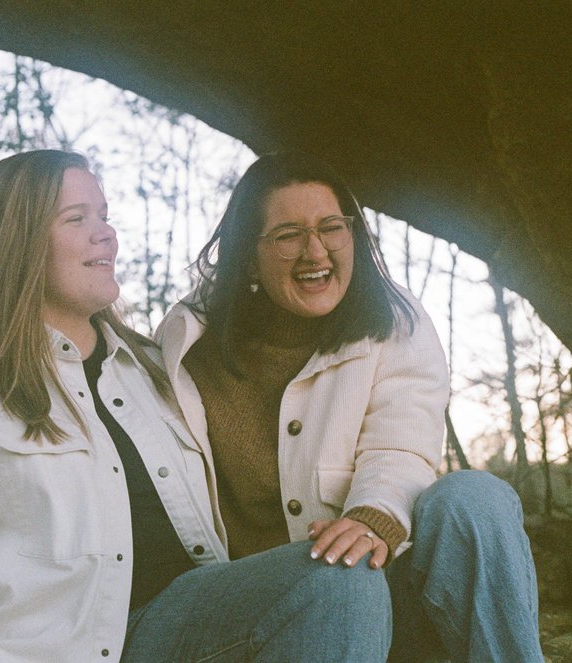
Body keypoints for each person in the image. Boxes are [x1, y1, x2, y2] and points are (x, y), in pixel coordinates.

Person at [0, 149, 400, 662]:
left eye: (104, 214)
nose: (106, 232)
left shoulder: (155, 367)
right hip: (65, 650)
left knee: (363, 561)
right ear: (17, 244)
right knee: (336, 578)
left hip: (198, 625)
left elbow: (282, 367)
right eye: (77, 218)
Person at [157, 151, 545, 662]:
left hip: (384, 593)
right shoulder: (189, 342)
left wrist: (373, 517)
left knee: (476, 498)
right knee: (336, 583)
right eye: (288, 234)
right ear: (249, 256)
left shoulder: (394, 321)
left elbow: (401, 444)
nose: (315, 251)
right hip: (262, 611)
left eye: (331, 228)